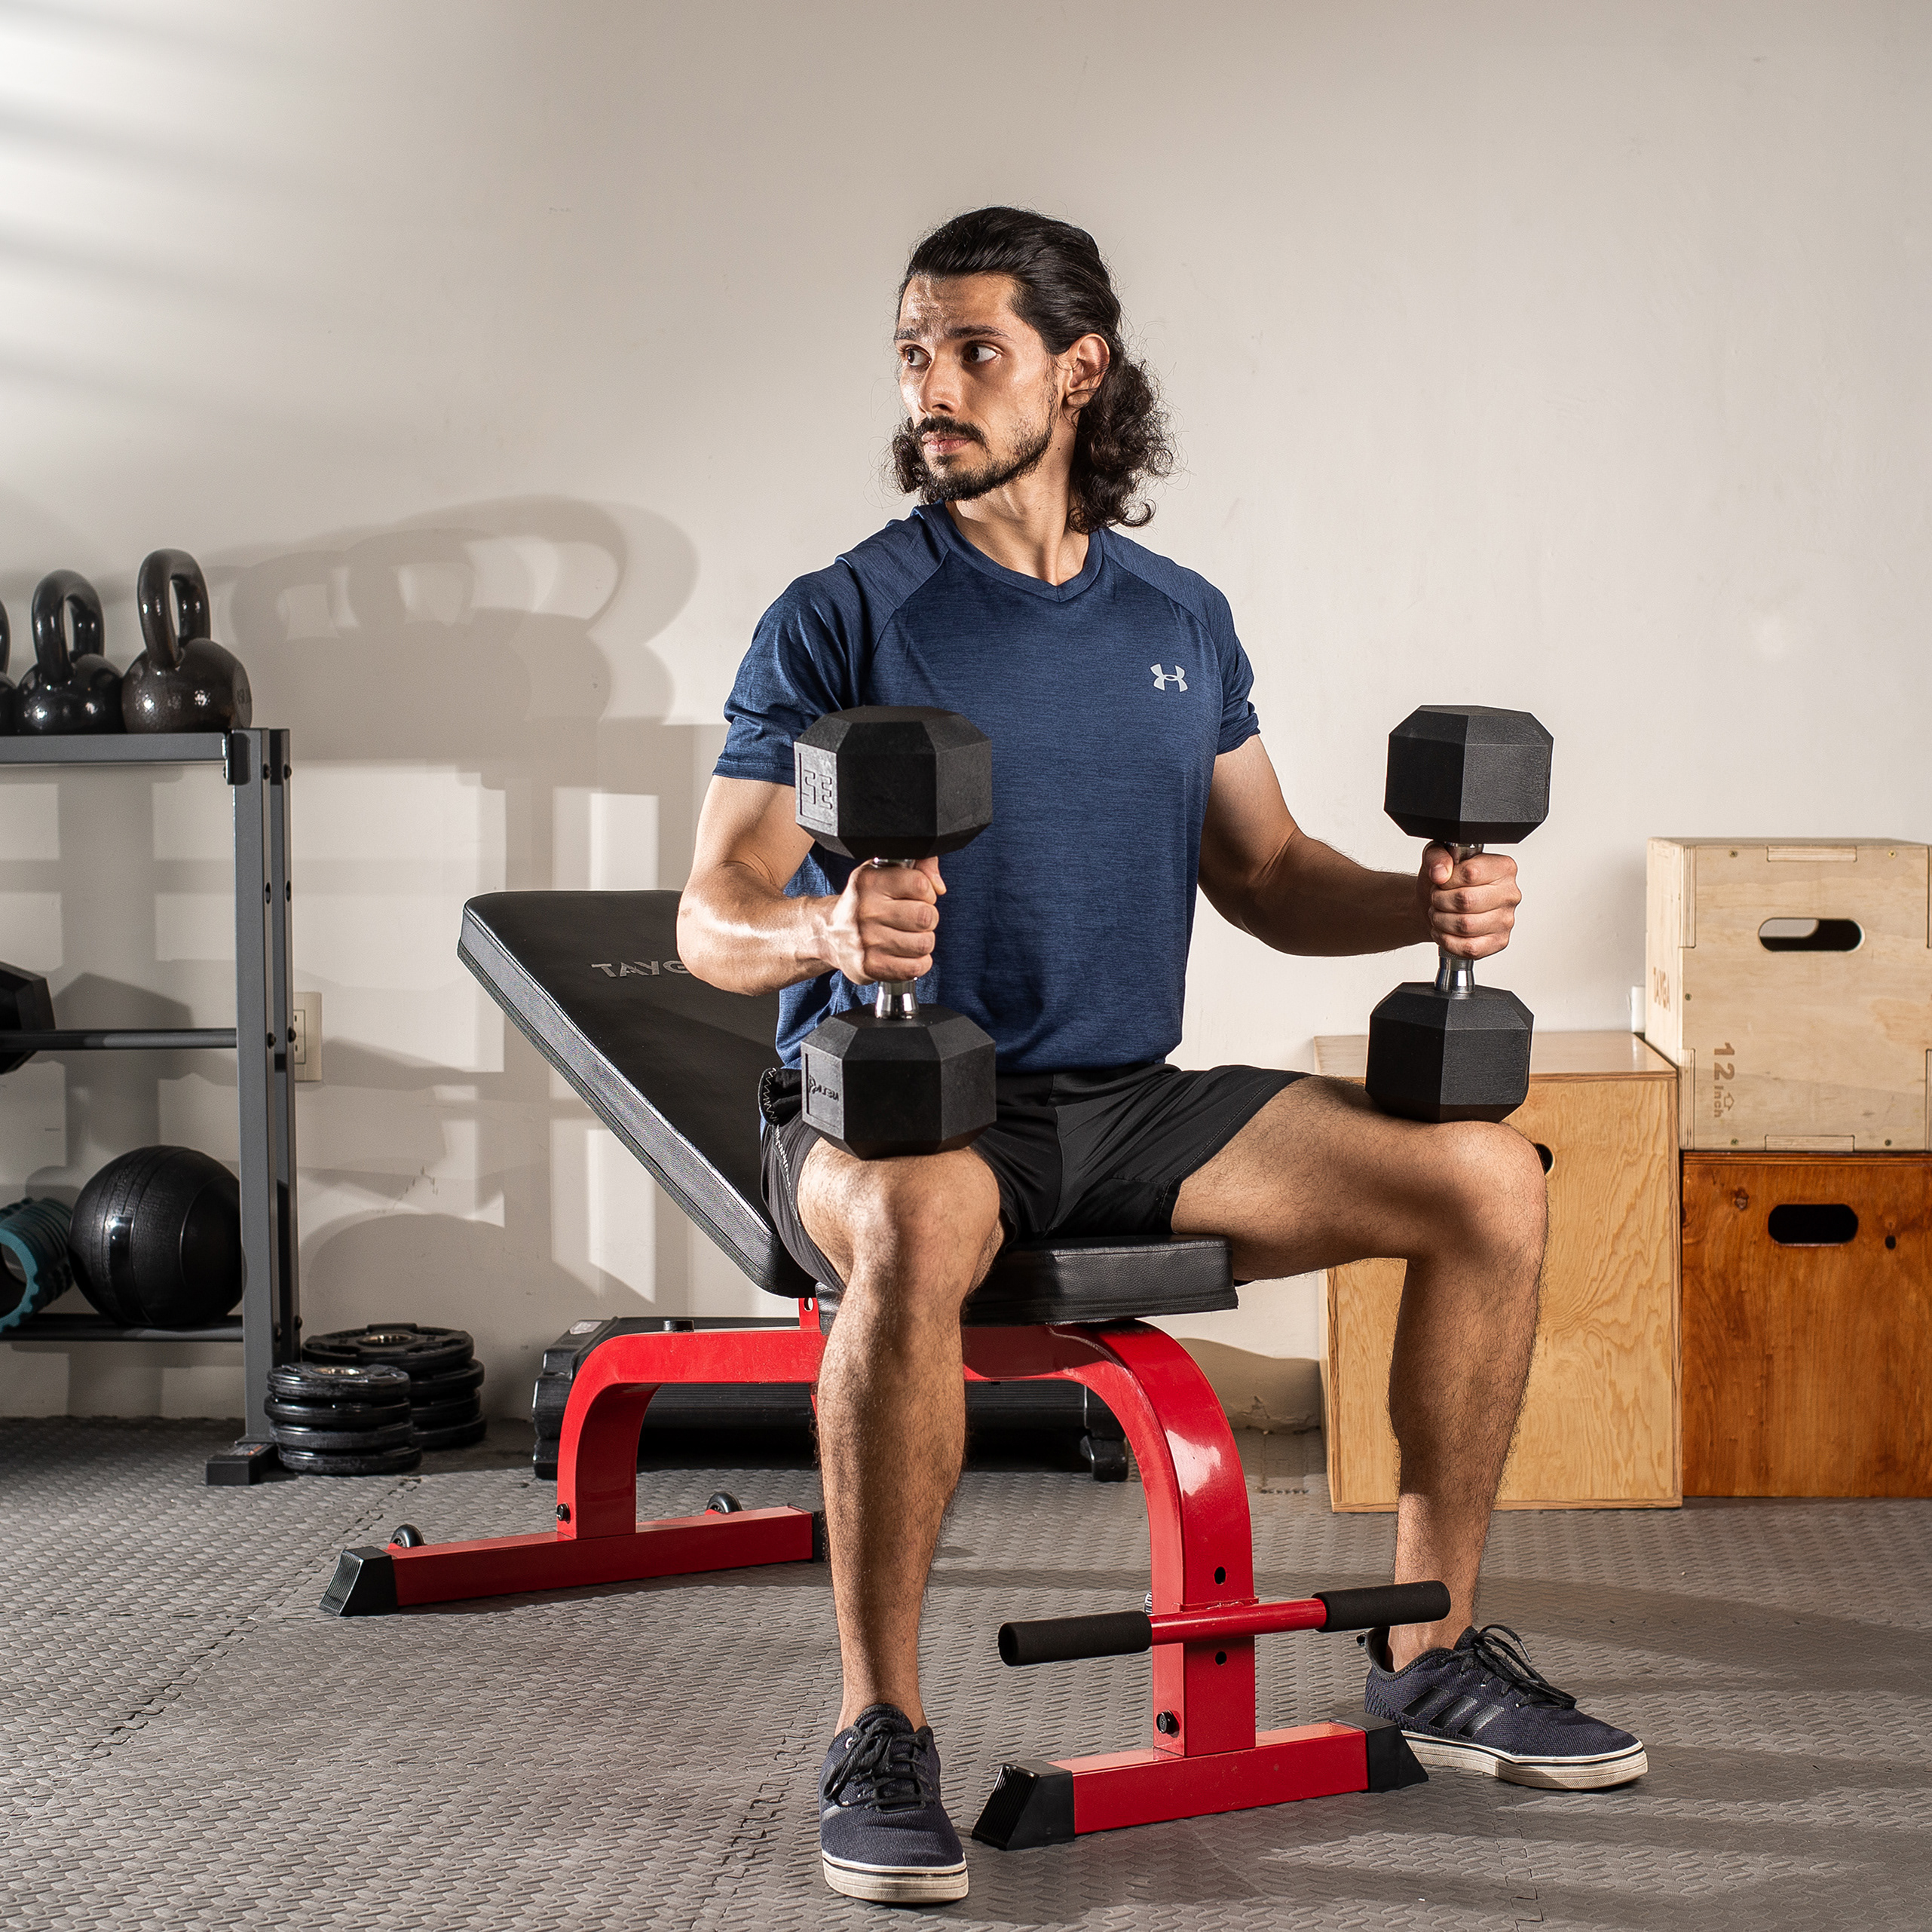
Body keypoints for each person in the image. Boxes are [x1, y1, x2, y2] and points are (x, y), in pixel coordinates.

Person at [677, 205, 1643, 1907]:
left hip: (1124, 1101)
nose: (931, 389)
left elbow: (1266, 874)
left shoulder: (1180, 618)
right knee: (915, 1214)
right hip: (894, 1108)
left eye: (973, 351)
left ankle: (1429, 1651)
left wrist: (1420, 899)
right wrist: (825, 933)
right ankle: (879, 1727)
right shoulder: (840, 614)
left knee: (1488, 1177)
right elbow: (711, 912)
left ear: (1079, 369)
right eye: (912, 354)